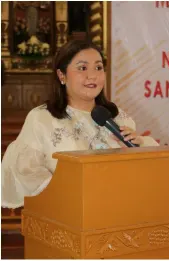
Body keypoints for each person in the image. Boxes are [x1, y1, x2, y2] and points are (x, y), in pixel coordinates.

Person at [1, 40, 159, 208]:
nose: (92, 76)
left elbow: (144, 172)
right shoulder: (42, 118)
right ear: (62, 75)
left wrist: (138, 146)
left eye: (98, 68)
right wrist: (72, 192)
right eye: (82, 68)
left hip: (120, 209)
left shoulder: (118, 116)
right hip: (68, 212)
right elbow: (27, 172)